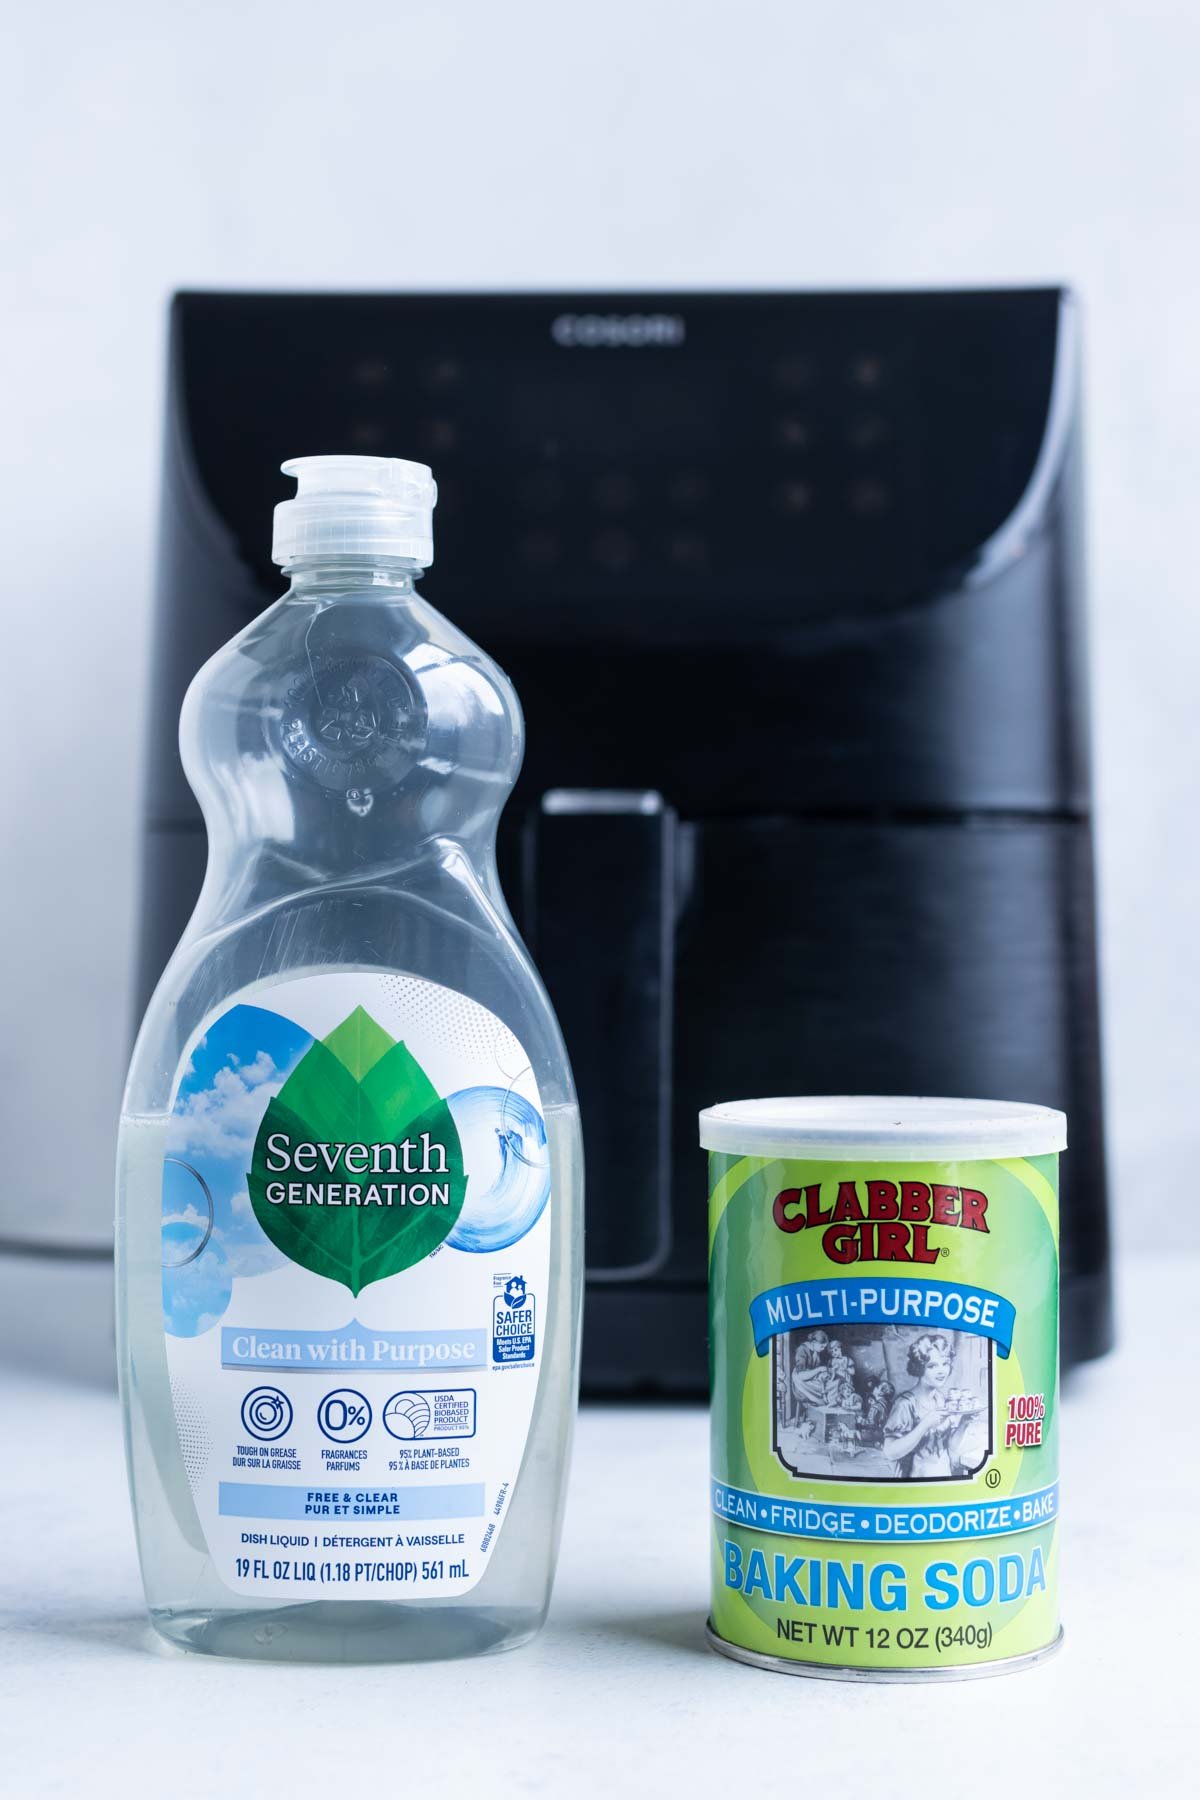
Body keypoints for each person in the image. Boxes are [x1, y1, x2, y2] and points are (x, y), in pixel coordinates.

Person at [883, 1333, 956, 1478]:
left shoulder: (942, 1399)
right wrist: (925, 1425)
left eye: (945, 1363)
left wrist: (965, 1423)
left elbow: (950, 1447)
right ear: (919, 1367)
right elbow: (890, 1452)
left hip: (943, 1478)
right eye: (932, 1366)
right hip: (913, 1483)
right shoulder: (906, 1403)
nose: (941, 1371)